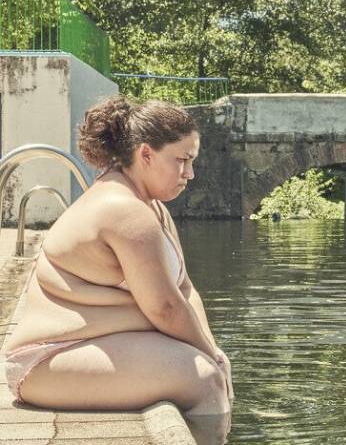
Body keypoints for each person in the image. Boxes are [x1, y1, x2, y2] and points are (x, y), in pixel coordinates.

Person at [3, 97, 233, 433]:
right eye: (182, 160)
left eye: (192, 161)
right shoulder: (124, 210)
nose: (190, 173)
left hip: (85, 348)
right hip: (43, 362)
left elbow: (184, 289)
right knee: (205, 381)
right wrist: (211, 357)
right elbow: (165, 308)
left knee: (213, 367)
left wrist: (212, 348)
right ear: (145, 154)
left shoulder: (153, 208)